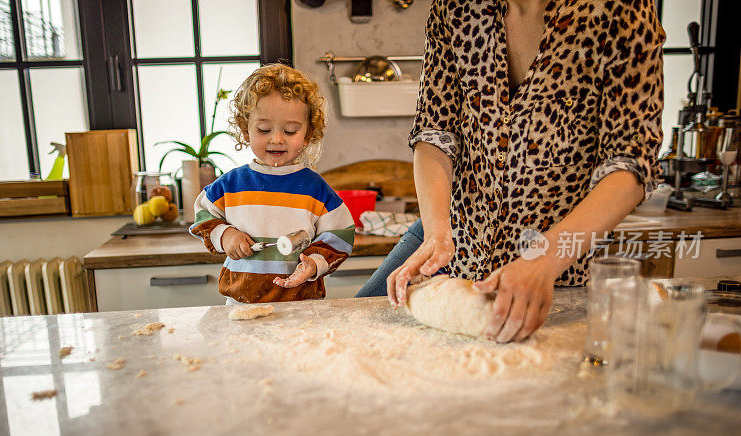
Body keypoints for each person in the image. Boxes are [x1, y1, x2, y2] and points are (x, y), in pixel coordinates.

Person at [362, 0, 665, 343]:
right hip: (454, 238)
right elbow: (434, 132)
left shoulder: (620, 11)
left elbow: (631, 163)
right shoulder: (456, 7)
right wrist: (436, 232)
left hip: (553, 271)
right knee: (362, 327)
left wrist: (544, 260)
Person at [190, 64, 355, 304]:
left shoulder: (315, 189)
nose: (277, 139)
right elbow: (203, 215)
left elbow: (341, 235)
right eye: (264, 129)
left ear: (308, 134)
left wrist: (314, 262)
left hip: (302, 308)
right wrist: (225, 235)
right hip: (241, 307)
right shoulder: (230, 185)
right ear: (245, 130)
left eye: (290, 131)